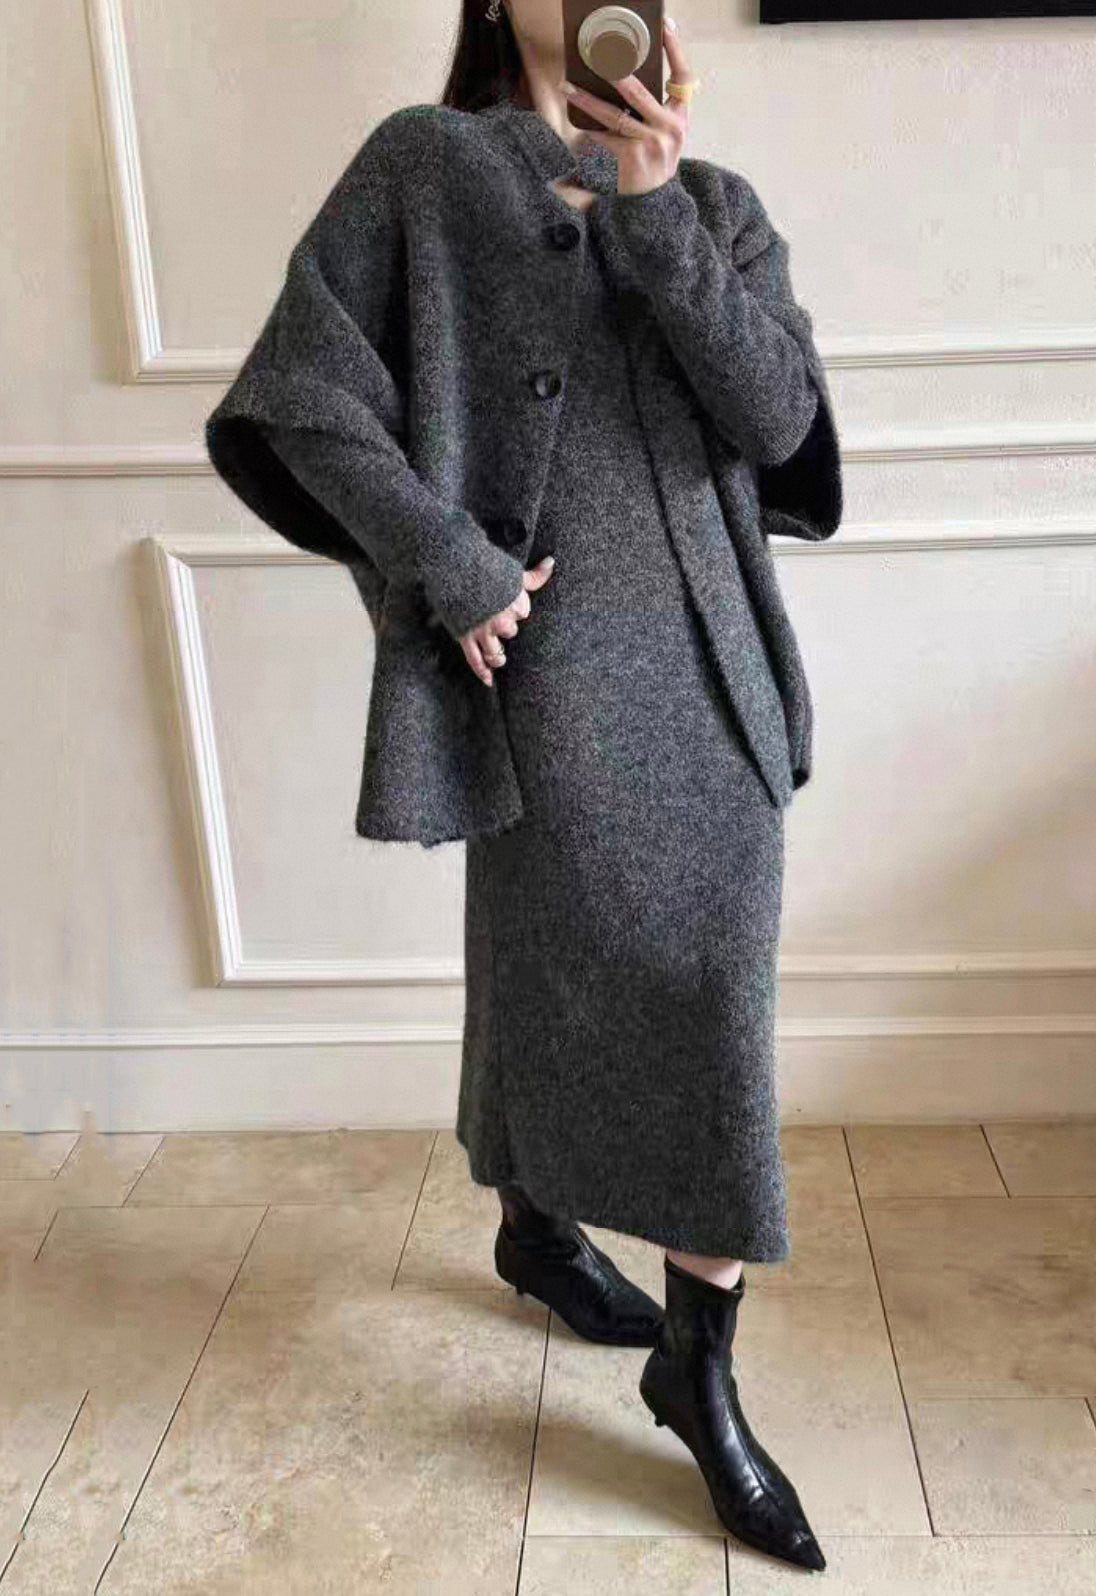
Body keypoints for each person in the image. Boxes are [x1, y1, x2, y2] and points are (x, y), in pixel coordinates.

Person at [207, 0, 841, 1572]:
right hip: (545, 667)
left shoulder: (717, 204)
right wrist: (450, 563)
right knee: (555, 960)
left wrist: (657, 210)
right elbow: (302, 395)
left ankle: (676, 1347)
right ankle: (586, 1267)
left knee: (708, 995)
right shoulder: (425, 166)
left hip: (716, 669)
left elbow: (778, 422)